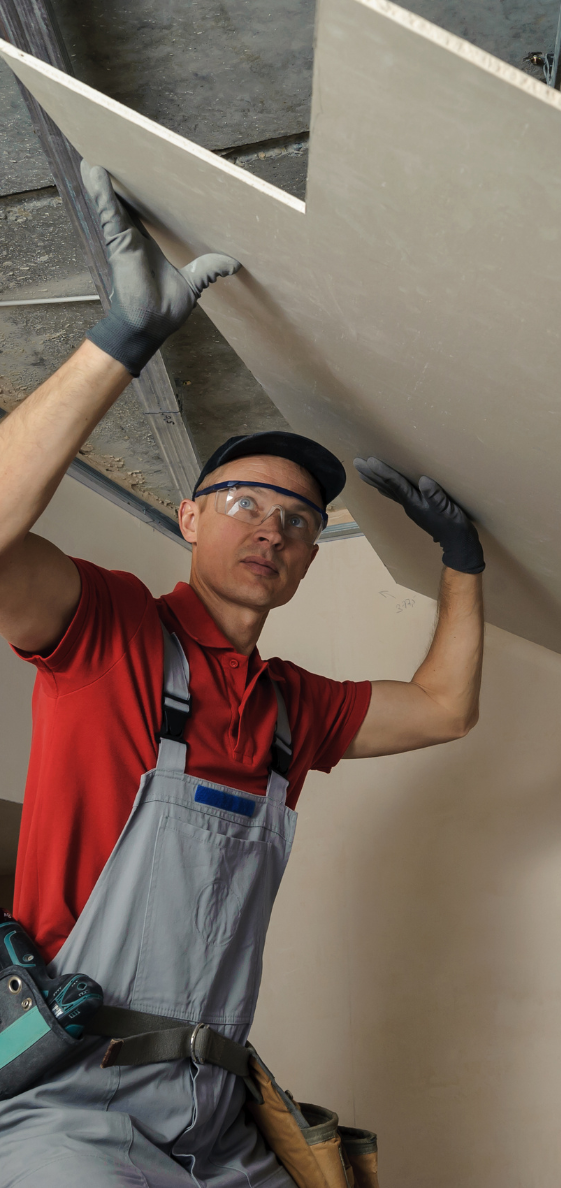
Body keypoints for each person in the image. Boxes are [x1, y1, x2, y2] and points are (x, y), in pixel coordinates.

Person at [0, 163, 486, 1185]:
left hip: (223, 1119)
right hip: (70, 1104)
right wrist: (121, 340)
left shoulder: (290, 711)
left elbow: (444, 707)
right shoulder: (110, 627)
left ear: (311, 559)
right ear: (186, 518)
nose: (272, 528)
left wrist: (464, 565)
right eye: (243, 503)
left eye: (299, 522)